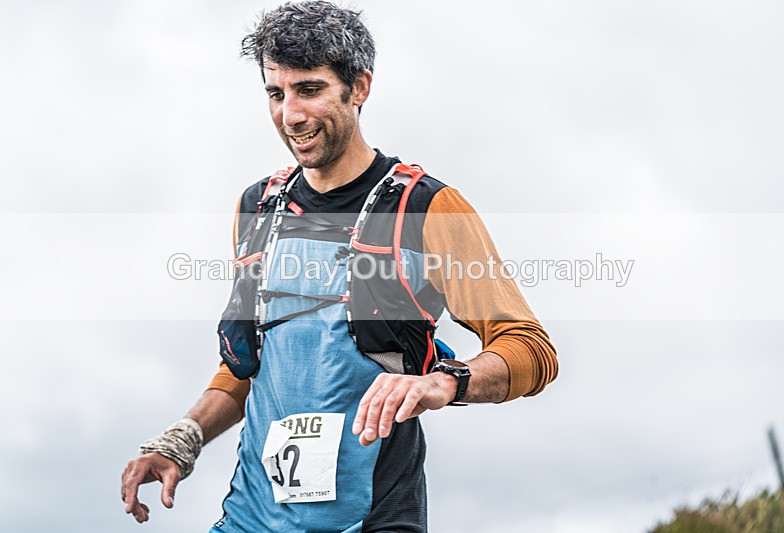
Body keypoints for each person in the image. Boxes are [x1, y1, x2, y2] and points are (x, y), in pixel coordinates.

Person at [120, 2, 558, 531]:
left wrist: (444, 382)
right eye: (275, 94)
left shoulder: (425, 208)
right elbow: (253, 364)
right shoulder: (256, 208)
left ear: (360, 87)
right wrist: (184, 438)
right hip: (252, 518)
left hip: (373, 518)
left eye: (310, 90)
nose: (291, 115)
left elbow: (530, 349)